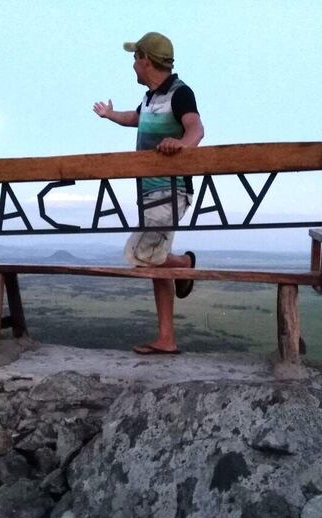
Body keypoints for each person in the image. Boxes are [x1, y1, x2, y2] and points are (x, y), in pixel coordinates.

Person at [93, 31, 204, 355]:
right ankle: (166, 338)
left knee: (141, 254)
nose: (133, 65)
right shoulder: (150, 98)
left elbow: (196, 128)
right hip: (150, 192)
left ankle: (184, 264)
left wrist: (181, 145)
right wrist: (110, 115)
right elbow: (135, 119)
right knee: (154, 260)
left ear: (146, 60)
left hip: (172, 190)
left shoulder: (180, 93)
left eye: (135, 58)